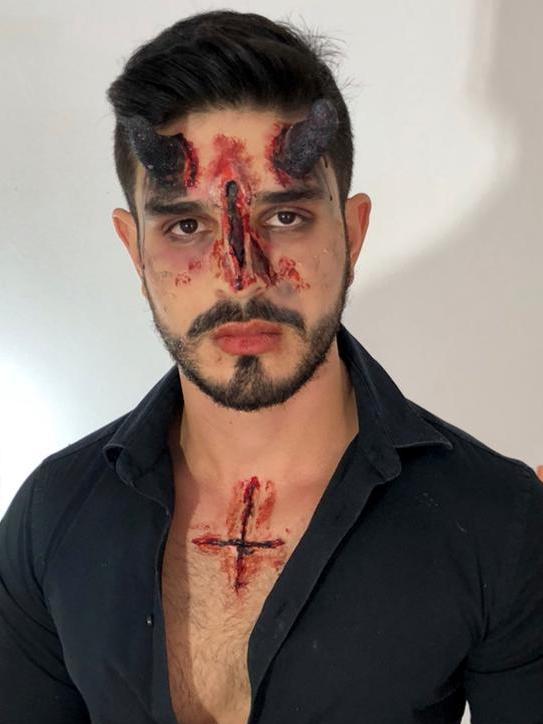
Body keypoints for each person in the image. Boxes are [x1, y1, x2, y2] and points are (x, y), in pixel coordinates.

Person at [1, 10, 542, 724]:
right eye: (186, 226)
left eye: (284, 217)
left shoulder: (500, 522)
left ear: (352, 233)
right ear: (134, 250)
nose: (242, 277)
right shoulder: (51, 517)